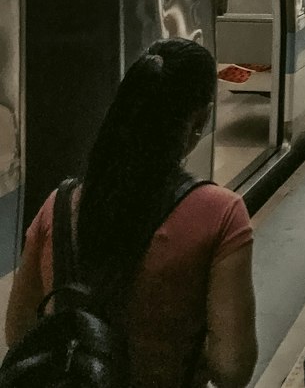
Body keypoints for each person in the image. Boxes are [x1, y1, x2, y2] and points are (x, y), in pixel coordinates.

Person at [5, 39, 257, 388]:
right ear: (200, 118)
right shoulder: (223, 214)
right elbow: (232, 369)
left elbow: (18, 332)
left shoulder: (58, 205)